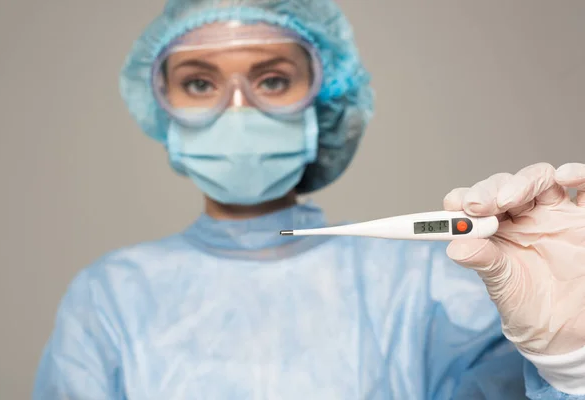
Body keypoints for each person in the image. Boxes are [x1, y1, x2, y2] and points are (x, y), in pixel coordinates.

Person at [33, 0, 585, 399]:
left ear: (324, 100)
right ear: (164, 107)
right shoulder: (109, 299)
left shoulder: (425, 289)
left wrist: (570, 366)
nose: (238, 110)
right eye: (200, 83)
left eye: (272, 80)